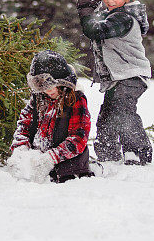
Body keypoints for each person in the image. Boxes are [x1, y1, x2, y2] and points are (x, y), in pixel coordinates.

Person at [76, 0, 153, 165]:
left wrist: (85, 12)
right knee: (107, 115)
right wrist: (92, 10)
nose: (110, 0)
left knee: (122, 110)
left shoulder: (124, 18)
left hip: (132, 75)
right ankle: (108, 154)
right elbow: (96, 23)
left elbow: (95, 30)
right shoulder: (110, 15)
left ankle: (137, 151)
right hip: (117, 79)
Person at [8, 50, 93, 183]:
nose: (47, 90)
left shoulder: (76, 99)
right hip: (37, 159)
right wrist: (21, 150)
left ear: (62, 81)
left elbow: (79, 138)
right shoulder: (38, 98)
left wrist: (51, 157)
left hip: (67, 164)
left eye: (50, 85)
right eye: (41, 85)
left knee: (65, 175)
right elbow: (24, 124)